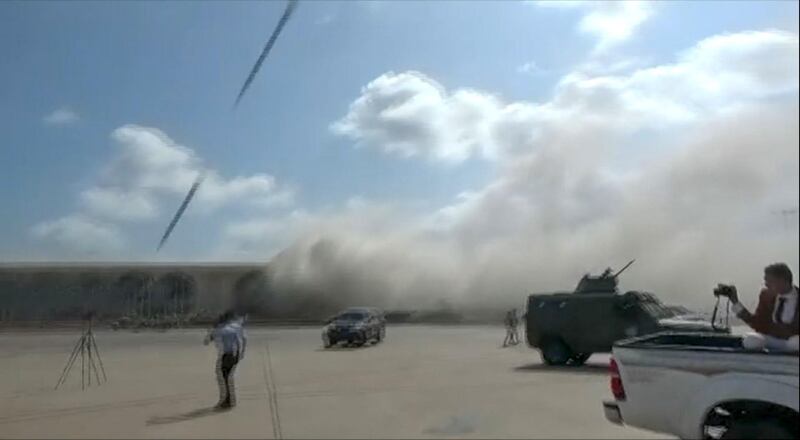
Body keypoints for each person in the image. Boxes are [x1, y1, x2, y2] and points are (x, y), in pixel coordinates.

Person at [723, 263, 799, 352]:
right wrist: (735, 301)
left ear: (782, 281)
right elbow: (756, 322)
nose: (766, 285)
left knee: (796, 343)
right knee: (751, 341)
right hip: (769, 338)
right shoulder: (766, 295)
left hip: (792, 341)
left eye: (770, 281)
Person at [204, 311, 247, 409]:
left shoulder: (220, 329)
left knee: (224, 377)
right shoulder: (235, 327)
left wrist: (210, 332)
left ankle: (228, 400)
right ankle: (229, 399)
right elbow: (243, 339)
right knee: (227, 377)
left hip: (227, 355)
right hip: (234, 354)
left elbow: (206, 341)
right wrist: (241, 353)